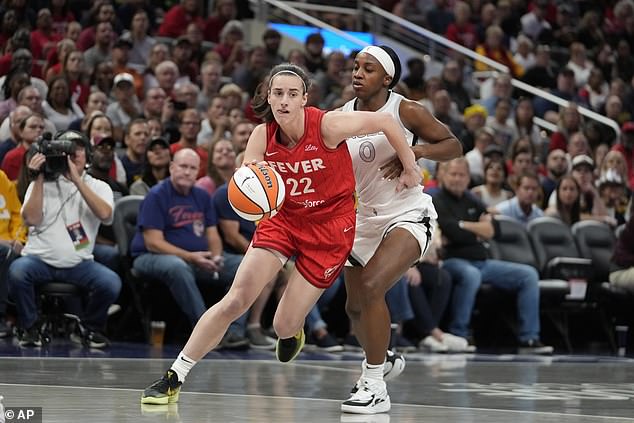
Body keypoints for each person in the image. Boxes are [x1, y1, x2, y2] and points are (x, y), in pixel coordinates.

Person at [140, 63, 422, 407]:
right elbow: (249, 187)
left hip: (330, 229)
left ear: (304, 98)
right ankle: (175, 376)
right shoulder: (262, 136)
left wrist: (410, 165)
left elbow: (385, 121)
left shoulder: (328, 125)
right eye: (278, 93)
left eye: (292, 94)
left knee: (283, 325)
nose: (284, 100)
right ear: (268, 97)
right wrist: (251, 183)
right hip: (283, 220)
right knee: (236, 299)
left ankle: (293, 331)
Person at [340, 45, 462, 414]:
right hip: (364, 219)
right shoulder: (340, 116)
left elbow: (453, 144)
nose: (358, 73)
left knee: (372, 285)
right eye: (356, 67)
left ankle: (375, 383)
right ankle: (384, 358)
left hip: (407, 212)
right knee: (354, 306)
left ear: (387, 78)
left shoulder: (405, 109)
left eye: (369, 69)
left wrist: (417, 152)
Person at [7, 130, 121, 348]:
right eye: (65, 148)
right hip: (38, 260)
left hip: (80, 263)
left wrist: (77, 180)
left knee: (110, 282)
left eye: (77, 149)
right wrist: (38, 177)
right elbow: (31, 219)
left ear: (87, 156)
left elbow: (106, 216)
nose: (71, 154)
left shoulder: (99, 186)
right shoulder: (41, 183)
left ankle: (88, 328)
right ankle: (30, 328)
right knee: (18, 271)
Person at [432, 158, 553, 355]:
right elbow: (451, 231)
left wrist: (464, 225)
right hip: (452, 260)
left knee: (528, 275)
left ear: (468, 178)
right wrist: (476, 228)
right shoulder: (437, 200)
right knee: (471, 275)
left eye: (461, 175)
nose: (457, 179)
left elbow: (495, 230)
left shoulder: (472, 200)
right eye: (453, 174)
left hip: (482, 261)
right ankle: (459, 334)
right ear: (442, 176)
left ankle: (529, 338)